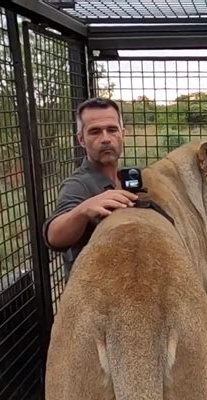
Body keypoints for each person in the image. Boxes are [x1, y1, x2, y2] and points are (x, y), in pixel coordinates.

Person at [43, 97, 139, 281]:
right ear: (81, 139)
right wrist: (83, 210)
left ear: (122, 134)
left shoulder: (127, 177)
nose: (105, 139)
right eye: (95, 132)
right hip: (93, 294)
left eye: (112, 130)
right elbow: (54, 236)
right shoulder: (78, 184)